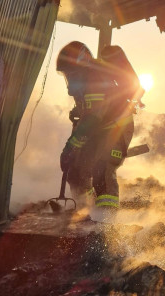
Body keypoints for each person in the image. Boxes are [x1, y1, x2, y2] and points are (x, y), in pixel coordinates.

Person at [56, 41, 138, 222]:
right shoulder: (83, 82)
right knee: (76, 169)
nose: (69, 78)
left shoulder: (95, 78)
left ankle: (105, 222)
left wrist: (70, 146)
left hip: (117, 129)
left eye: (71, 73)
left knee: (103, 168)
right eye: (66, 74)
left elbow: (94, 117)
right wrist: (77, 112)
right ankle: (84, 207)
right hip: (98, 130)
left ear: (82, 67)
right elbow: (91, 112)